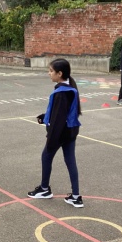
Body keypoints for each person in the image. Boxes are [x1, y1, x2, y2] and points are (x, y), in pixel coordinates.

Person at [28, 58, 83, 208]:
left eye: (51, 71)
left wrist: (51, 138)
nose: (49, 73)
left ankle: (44, 189)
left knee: (46, 156)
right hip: (71, 130)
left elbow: (58, 119)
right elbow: (62, 113)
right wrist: (45, 117)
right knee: (70, 161)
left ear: (60, 74)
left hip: (61, 132)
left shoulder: (61, 93)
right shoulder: (70, 88)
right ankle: (76, 196)